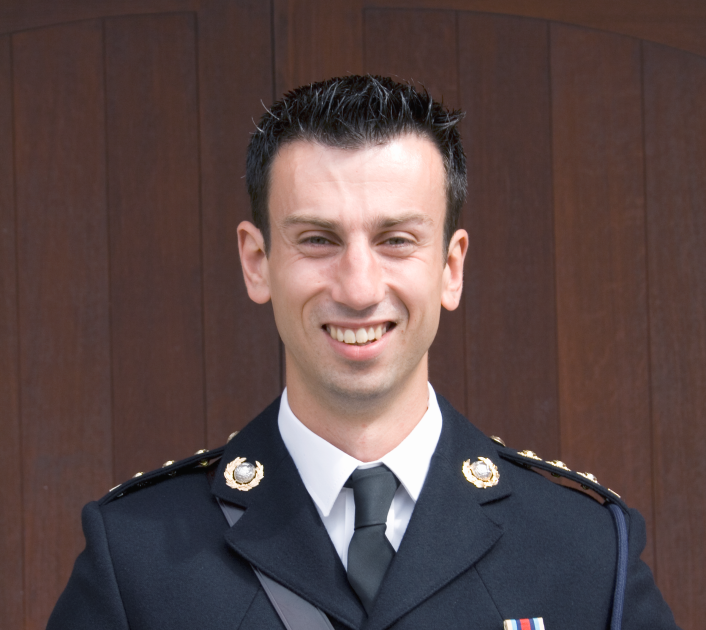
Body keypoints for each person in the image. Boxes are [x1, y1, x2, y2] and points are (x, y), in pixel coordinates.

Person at [48, 75, 678, 630]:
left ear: (451, 267)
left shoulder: (588, 551)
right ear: (257, 261)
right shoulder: (135, 559)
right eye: (318, 240)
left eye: (396, 240)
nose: (358, 288)